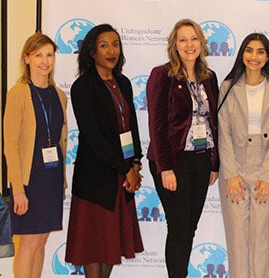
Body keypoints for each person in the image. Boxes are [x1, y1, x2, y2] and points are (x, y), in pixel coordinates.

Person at [65, 24, 144, 278]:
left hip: (121, 177)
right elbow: (94, 137)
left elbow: (130, 126)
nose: (111, 51)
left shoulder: (123, 83)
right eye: (104, 45)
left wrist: (134, 164)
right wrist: (125, 169)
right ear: (91, 52)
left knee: (111, 247)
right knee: (93, 248)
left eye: (115, 45)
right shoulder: (82, 87)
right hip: (95, 180)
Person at [147, 18, 220, 278]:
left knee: (189, 227)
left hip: (201, 161)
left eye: (194, 38)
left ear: (201, 42)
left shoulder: (209, 78)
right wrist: (165, 168)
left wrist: (214, 164)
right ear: (174, 45)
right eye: (183, 39)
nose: (189, 45)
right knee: (178, 227)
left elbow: (214, 123)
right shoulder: (162, 75)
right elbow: (156, 124)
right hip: (172, 161)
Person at [217, 33, 269, 278]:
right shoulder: (228, 87)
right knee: (236, 240)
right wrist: (231, 174)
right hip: (235, 166)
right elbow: (222, 133)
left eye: (260, 51)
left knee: (262, 240)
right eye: (249, 50)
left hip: (266, 168)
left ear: (267, 56)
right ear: (242, 54)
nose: (254, 57)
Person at [4, 33, 67, 277]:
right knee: (28, 244)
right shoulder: (18, 93)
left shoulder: (59, 95)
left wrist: (61, 182)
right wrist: (17, 189)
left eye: (49, 55)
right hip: (29, 181)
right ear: (27, 58)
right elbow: (10, 145)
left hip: (51, 179)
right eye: (38, 55)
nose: (45, 61)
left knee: (41, 241)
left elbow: (59, 140)